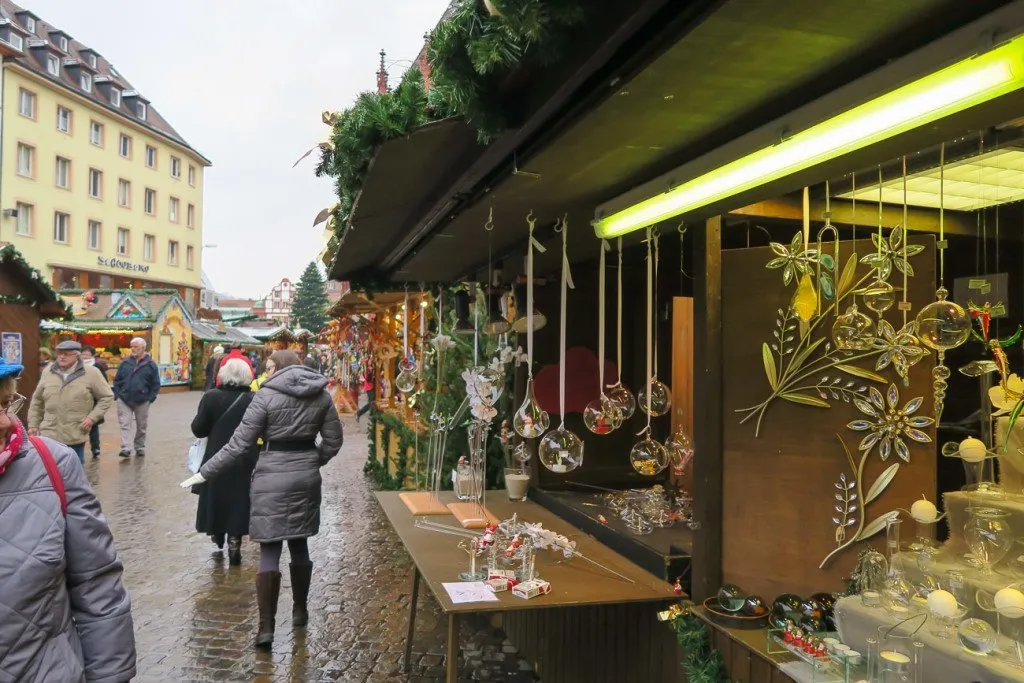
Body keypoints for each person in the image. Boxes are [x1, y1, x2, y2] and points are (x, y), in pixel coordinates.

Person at [180, 350, 344, 649]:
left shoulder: (265, 397)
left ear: (280, 368)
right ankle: (300, 610)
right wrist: (311, 461)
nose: (265, 373)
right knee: (300, 542)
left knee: (270, 547)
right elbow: (334, 441)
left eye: (269, 367)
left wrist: (204, 473)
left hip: (271, 474)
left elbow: (237, 445)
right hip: (305, 476)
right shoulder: (321, 396)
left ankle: (266, 627)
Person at [0, 360, 137, 681]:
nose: (6, 421)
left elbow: (98, 586)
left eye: (6, 403)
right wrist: (36, 421)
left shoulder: (54, 464)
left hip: (46, 671)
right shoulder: (47, 375)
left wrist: (89, 420)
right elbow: (36, 405)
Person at [190, 359, 259, 566]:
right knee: (239, 498)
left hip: (215, 454)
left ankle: (217, 533)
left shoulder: (211, 398)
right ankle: (235, 540)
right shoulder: (253, 399)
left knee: (217, 496)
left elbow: (198, 429)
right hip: (246, 457)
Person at [28, 340, 114, 463]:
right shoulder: (48, 371)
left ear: (77, 355)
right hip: (49, 433)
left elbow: (107, 396)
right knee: (50, 471)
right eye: (59, 353)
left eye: (66, 354)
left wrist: (92, 418)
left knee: (74, 473)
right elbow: (37, 400)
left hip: (75, 432)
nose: (62, 357)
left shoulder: (91, 373)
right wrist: (33, 424)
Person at [112, 337, 161, 458]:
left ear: (143, 348)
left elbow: (155, 383)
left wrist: (150, 398)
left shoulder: (151, 364)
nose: (133, 349)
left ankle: (139, 447)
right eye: (131, 346)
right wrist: (117, 394)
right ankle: (125, 448)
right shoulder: (126, 362)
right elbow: (117, 380)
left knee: (141, 426)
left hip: (142, 400)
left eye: (135, 346)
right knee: (124, 424)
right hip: (124, 399)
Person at [81, 345, 110, 458]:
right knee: (80, 425)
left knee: (93, 425)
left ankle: (95, 448)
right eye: (83, 354)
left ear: (92, 355)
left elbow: (104, 382)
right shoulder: (76, 366)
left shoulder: (97, 366)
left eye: (87, 354)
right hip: (80, 400)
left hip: (93, 400)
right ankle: (80, 446)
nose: (85, 356)